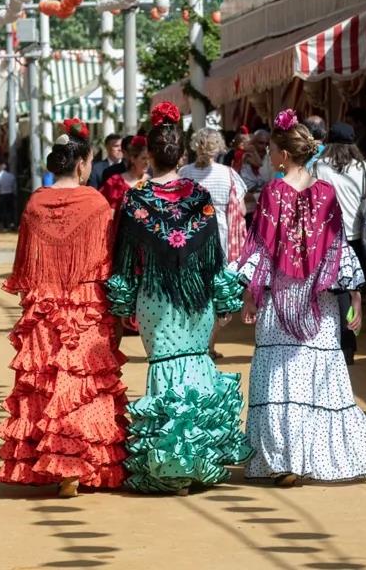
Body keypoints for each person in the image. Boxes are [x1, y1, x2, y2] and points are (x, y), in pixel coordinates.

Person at [237, 110, 366, 486]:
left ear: (284, 154)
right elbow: (338, 247)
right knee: (316, 376)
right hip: (319, 303)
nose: (270, 156)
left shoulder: (273, 192)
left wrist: (250, 295)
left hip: (283, 297)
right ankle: (316, 454)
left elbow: (263, 247)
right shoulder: (325, 192)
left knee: (280, 376)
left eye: (272, 149)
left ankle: (283, 457)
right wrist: (353, 296)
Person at [106, 102, 251, 494]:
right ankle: (199, 458)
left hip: (155, 301)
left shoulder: (136, 201)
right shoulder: (199, 197)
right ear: (180, 155)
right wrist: (223, 301)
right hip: (196, 299)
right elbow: (215, 256)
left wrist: (120, 305)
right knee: (197, 367)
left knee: (166, 371)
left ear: (149, 155)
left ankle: (172, 463)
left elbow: (122, 260)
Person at [0, 118, 128, 497]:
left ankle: (53, 464)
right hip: (85, 304)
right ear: (83, 163)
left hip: (44, 305)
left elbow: (24, 266)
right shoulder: (97, 203)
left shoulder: (36, 203)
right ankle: (81, 465)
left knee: (46, 383)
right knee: (83, 383)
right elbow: (106, 261)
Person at [180, 127, 249, 360]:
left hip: (189, 242)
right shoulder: (228, 174)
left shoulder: (184, 174)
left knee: (193, 295)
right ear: (218, 148)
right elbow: (240, 211)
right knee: (218, 296)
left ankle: (195, 343)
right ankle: (208, 344)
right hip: (220, 240)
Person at [312, 122, 366, 366]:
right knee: (354, 291)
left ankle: (338, 341)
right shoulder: (362, 167)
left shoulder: (319, 166)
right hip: (357, 236)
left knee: (335, 291)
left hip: (329, 236)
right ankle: (349, 343)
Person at [99, 134, 149, 211]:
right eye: (143, 158)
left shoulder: (152, 180)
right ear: (133, 158)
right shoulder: (114, 182)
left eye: (149, 158)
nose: (147, 162)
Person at [238, 129, 272, 219]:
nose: (264, 147)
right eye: (261, 143)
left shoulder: (273, 160)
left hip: (266, 212)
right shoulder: (244, 158)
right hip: (246, 212)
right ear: (253, 143)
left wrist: (254, 196)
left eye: (267, 144)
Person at [0, 163, 17, 231]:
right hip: (10, 194)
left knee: (3, 211)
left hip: (2, 195)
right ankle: (12, 223)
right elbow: (14, 187)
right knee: (11, 210)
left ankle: (5, 226)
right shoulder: (11, 176)